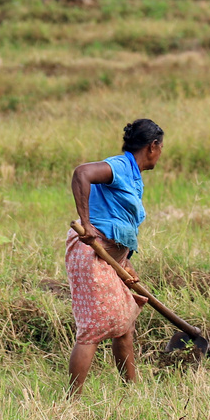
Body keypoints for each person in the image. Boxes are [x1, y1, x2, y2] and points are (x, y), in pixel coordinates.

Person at [66, 119, 164, 394]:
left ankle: (131, 392)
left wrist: (125, 261)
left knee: (124, 324)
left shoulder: (132, 175)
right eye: (161, 147)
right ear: (152, 146)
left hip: (110, 258)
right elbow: (81, 173)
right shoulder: (120, 166)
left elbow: (117, 222)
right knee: (91, 330)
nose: (161, 153)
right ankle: (70, 403)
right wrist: (85, 224)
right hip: (90, 253)